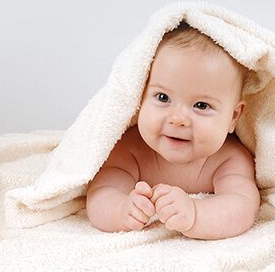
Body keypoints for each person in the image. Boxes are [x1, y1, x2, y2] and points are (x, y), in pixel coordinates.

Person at [86, 22, 260, 240]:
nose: (178, 120)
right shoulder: (130, 149)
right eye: (163, 97)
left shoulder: (229, 159)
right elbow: (100, 195)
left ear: (233, 117)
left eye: (201, 105)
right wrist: (121, 211)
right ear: (140, 97)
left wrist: (196, 214)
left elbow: (242, 207)